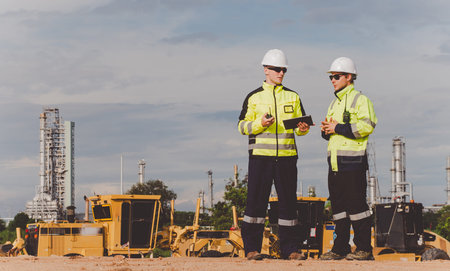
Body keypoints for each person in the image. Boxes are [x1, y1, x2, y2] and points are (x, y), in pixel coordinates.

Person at [238, 49, 311, 260]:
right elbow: (242, 126)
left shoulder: (293, 96)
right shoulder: (253, 97)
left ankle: (290, 250)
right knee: (255, 203)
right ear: (266, 70)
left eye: (284, 70)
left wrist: (304, 127)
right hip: (260, 158)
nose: (281, 73)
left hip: (287, 158)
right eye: (278, 69)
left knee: (288, 204)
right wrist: (260, 123)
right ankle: (251, 249)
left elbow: (300, 126)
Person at [320, 57, 377, 261]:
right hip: (334, 164)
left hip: (353, 164)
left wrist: (337, 128)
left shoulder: (360, 100)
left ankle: (364, 249)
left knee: (357, 208)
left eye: (336, 76)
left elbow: (366, 126)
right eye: (331, 77)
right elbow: (331, 133)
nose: (333, 80)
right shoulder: (334, 103)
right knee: (339, 210)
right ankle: (340, 248)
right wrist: (326, 130)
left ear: (349, 77)